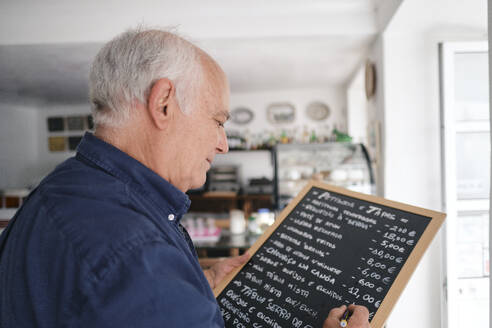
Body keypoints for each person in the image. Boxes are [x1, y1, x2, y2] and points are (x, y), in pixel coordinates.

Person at [0, 28, 370, 328]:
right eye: (219, 121)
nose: (224, 144)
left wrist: (197, 287)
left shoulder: (60, 187)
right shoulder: (138, 256)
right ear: (163, 103)